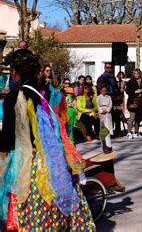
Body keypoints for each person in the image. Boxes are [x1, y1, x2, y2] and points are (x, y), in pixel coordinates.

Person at [0, 48, 94, 230]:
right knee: (54, 218)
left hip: (30, 168)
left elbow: (8, 140)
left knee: (32, 217)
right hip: (51, 163)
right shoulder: (42, 95)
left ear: (14, 72)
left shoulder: (15, 97)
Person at [126, 69, 142, 139]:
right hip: (132, 101)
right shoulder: (130, 82)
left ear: (140, 74)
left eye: (137, 73)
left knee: (138, 118)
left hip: (141, 102)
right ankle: (129, 132)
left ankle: (136, 132)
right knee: (132, 117)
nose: (136, 75)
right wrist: (135, 92)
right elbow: (127, 91)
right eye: (134, 73)